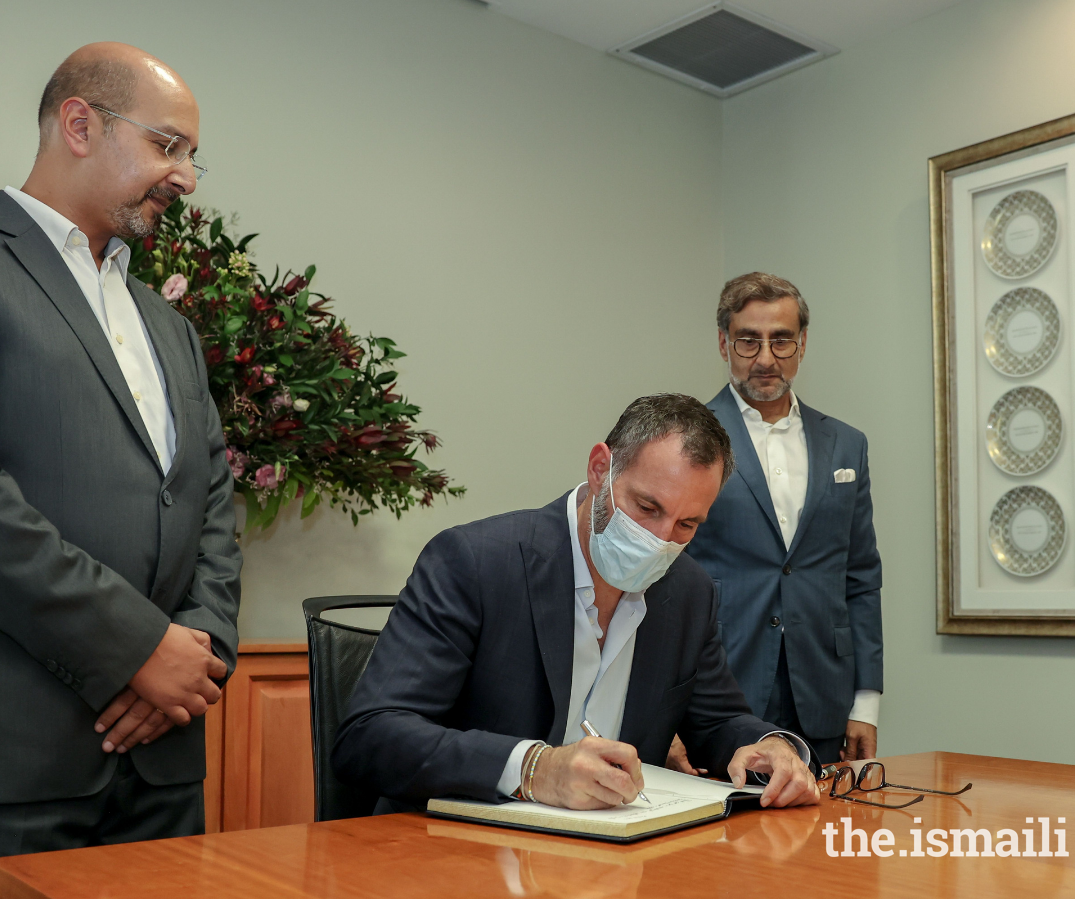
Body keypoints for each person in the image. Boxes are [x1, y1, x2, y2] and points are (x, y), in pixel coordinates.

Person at [0, 43, 241, 898]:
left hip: (160, 761)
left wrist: (196, 652)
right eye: (168, 146)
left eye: (192, 156)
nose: (187, 178)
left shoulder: (169, 327)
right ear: (79, 124)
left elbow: (211, 502)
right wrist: (138, 650)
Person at [332, 394, 819, 812]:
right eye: (647, 508)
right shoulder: (475, 562)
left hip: (616, 858)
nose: (660, 540)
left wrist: (769, 746)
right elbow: (371, 735)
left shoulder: (688, 591)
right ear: (600, 468)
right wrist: (533, 768)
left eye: (687, 524)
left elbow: (717, 721)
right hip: (454, 853)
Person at [679, 272, 882, 767]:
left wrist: (866, 704)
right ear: (724, 343)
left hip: (824, 694)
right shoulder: (684, 439)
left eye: (781, 340)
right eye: (749, 341)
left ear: (803, 343)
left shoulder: (847, 444)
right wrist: (666, 713)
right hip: (721, 691)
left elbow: (861, 577)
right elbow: (658, 582)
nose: (765, 358)